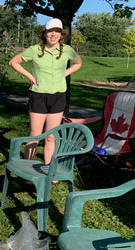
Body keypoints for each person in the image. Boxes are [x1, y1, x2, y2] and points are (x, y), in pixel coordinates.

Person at [9, 18, 82, 166]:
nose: (53, 34)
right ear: (45, 33)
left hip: (58, 96)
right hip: (39, 96)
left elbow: (78, 63)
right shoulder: (34, 50)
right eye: (50, 31)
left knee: (51, 137)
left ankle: (49, 169)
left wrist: (65, 74)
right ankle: (27, 169)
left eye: (57, 31)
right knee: (35, 135)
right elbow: (13, 62)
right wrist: (29, 75)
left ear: (61, 34)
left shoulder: (67, 50)